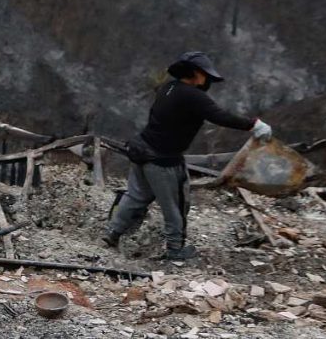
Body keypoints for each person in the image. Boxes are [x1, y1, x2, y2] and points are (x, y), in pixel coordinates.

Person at [103, 51, 272, 260]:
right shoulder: (192, 95)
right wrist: (253, 124)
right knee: (176, 205)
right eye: (205, 75)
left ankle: (112, 233)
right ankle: (175, 250)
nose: (207, 80)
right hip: (163, 160)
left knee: (135, 197)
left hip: (141, 150)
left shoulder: (168, 88)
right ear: (195, 73)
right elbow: (219, 116)